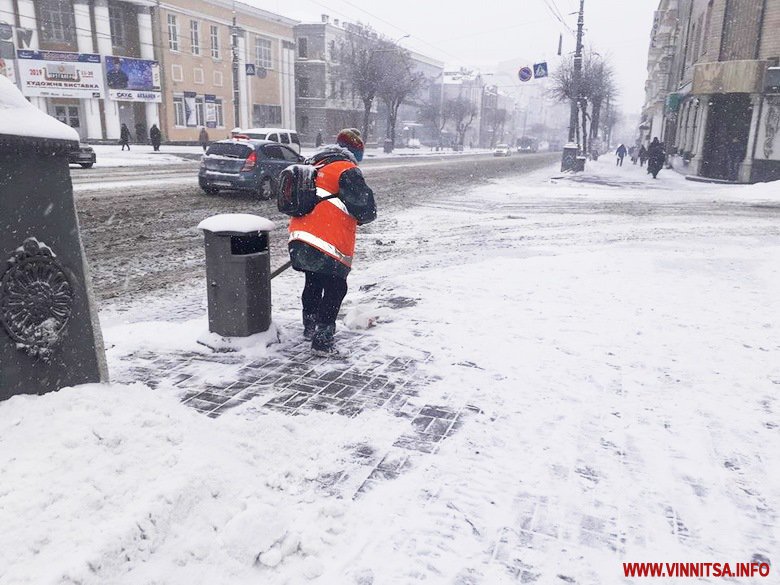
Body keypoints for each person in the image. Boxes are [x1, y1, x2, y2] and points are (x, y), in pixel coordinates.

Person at [288, 128, 377, 357]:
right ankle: (322, 340)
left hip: (300, 235)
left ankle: (309, 326)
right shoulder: (346, 169)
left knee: (313, 281)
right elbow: (365, 209)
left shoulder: (316, 165)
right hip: (328, 239)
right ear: (355, 152)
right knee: (336, 287)